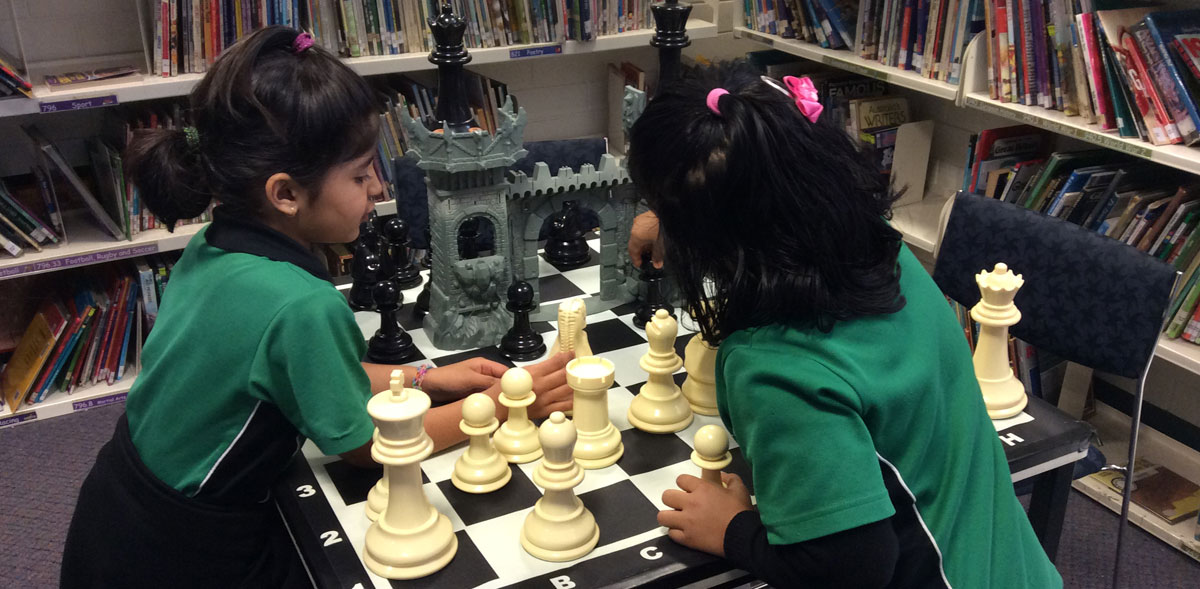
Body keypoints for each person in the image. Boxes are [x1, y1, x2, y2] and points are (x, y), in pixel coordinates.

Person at [59, 27, 572, 588]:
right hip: (184, 549)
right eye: (359, 174)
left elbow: (310, 375)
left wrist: (425, 376)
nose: (378, 187)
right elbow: (365, 446)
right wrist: (497, 407)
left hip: (116, 507)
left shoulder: (214, 246)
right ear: (285, 194)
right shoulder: (300, 304)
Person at [630, 62, 1062, 588]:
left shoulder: (774, 369)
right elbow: (766, 194)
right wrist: (683, 218)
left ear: (707, 238)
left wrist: (733, 530)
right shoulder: (878, 246)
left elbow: (851, 569)